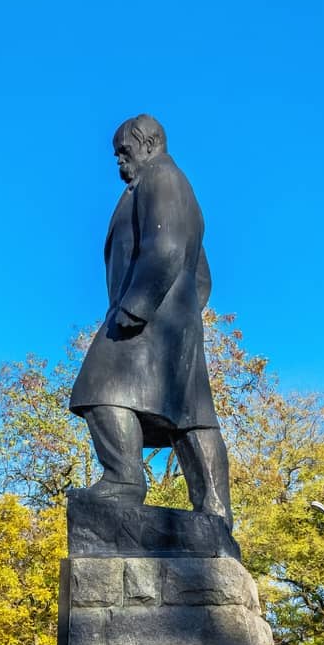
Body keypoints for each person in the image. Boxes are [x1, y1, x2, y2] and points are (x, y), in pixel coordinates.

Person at [69, 115, 233, 528]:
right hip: (173, 321)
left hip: (147, 314)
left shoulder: (162, 178)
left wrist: (137, 306)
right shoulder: (171, 186)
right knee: (188, 414)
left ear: (147, 143)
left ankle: (124, 481)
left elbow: (166, 247)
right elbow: (202, 276)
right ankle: (215, 511)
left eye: (124, 153)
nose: (120, 163)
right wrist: (185, 315)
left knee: (98, 388)